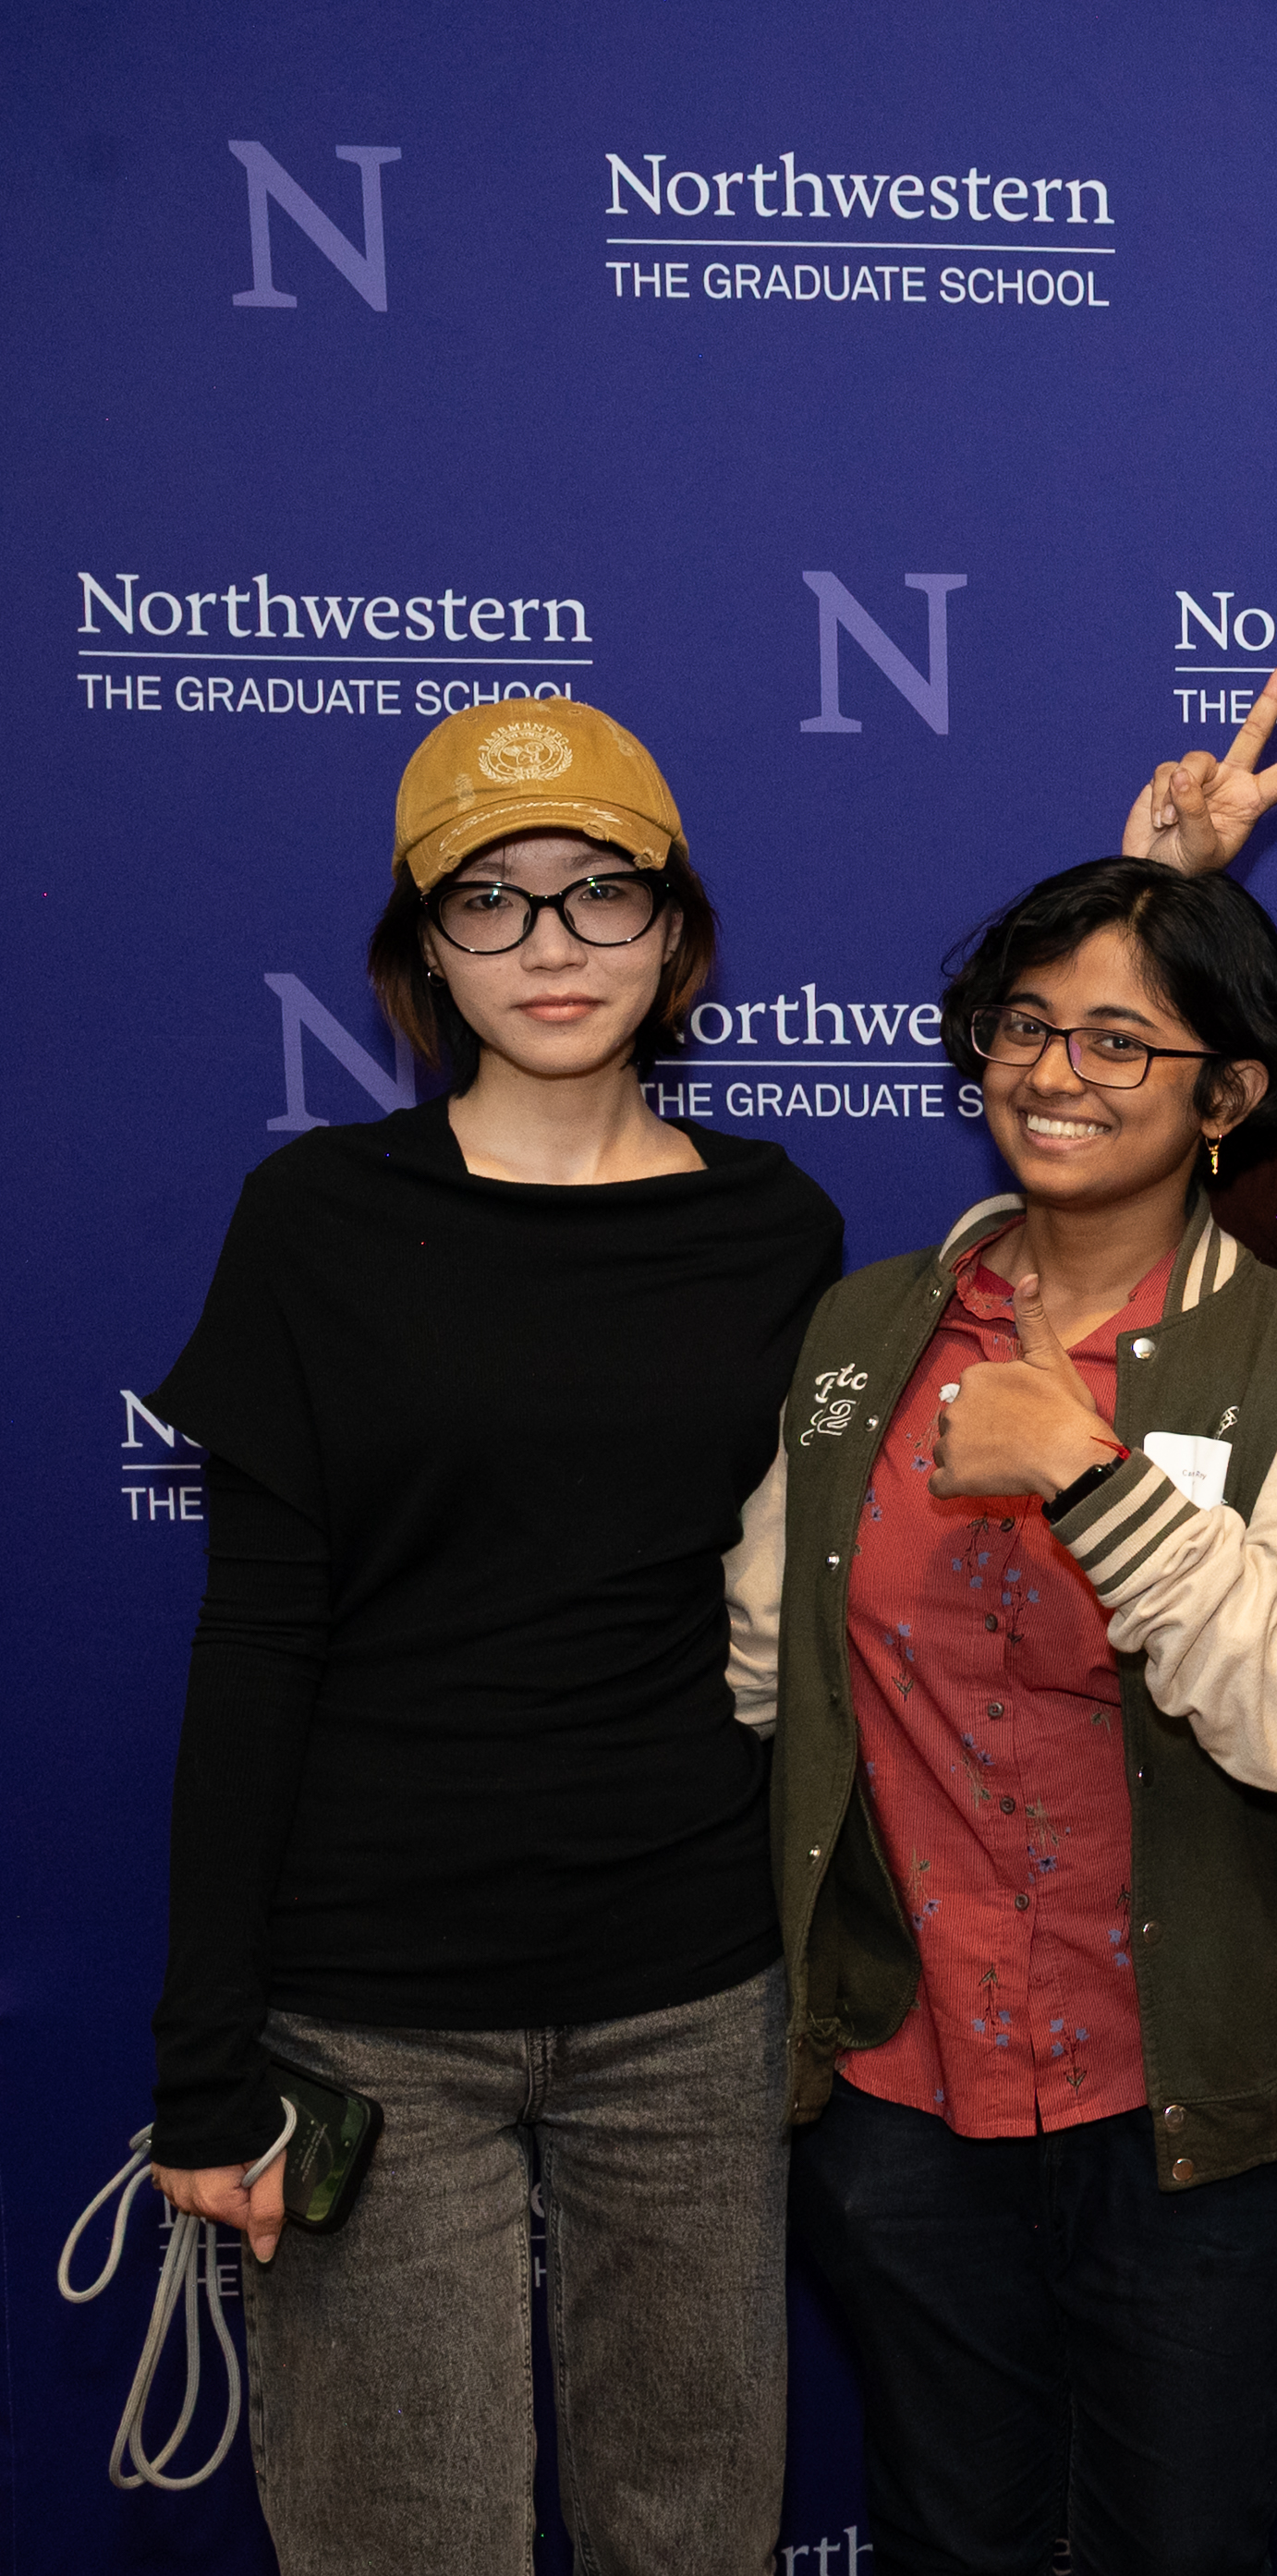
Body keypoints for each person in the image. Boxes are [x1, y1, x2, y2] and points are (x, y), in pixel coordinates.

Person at [145, 698, 839, 2572]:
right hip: (372, 2008)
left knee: (690, 2534)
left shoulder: (779, 1228)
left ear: (676, 931)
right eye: (492, 900)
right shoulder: (315, 1220)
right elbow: (254, 1639)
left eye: (598, 893)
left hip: (691, 1991)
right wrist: (202, 2058)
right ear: (420, 953)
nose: (549, 947)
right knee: (399, 2541)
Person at [743, 857, 1277, 2575]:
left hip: (1188, 2104)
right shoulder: (870, 1328)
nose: (1054, 1072)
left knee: (1176, 2538)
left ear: (1229, 1097)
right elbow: (769, 1652)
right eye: (1025, 1027)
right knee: (947, 2529)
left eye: (1122, 1041)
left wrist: (1088, 1480)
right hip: (904, 2087)